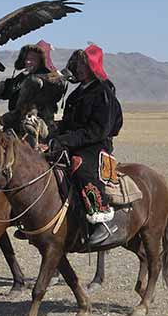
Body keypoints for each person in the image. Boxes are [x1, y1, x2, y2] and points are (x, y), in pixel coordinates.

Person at [48, 45, 123, 247]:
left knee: (80, 169)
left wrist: (66, 139)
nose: (80, 68)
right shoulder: (75, 94)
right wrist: (51, 131)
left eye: (84, 64)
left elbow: (99, 130)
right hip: (74, 142)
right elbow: (69, 124)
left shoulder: (103, 92)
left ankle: (101, 221)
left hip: (95, 146)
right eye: (78, 64)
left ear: (93, 65)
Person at [0, 40, 66, 145]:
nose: (28, 62)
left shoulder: (51, 79)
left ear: (41, 61)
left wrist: (36, 81)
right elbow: (3, 89)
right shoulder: (22, 77)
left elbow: (58, 87)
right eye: (27, 59)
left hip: (38, 128)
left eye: (33, 59)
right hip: (14, 127)